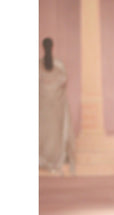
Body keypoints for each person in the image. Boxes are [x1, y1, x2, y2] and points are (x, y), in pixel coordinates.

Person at [39, 37, 75, 174]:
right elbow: (63, 82)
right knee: (56, 133)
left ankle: (43, 160)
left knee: (43, 132)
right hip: (55, 107)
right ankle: (55, 161)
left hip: (42, 108)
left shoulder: (38, 65)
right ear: (52, 47)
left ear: (43, 47)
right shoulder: (59, 65)